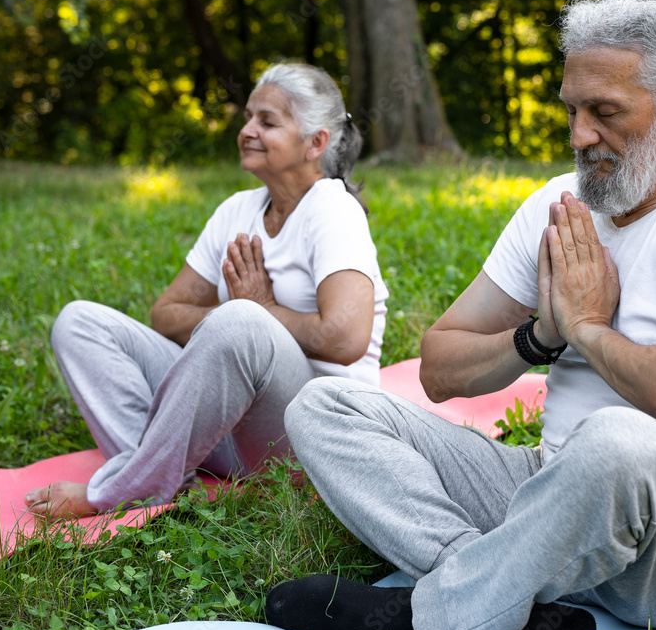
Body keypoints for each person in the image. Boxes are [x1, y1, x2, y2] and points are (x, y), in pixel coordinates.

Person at [265, 0, 656, 630]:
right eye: (572, 109)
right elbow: (438, 366)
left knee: (618, 440)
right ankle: (505, 601)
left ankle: (433, 619)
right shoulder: (555, 205)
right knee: (324, 406)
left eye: (606, 111)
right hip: (547, 491)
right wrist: (540, 335)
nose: (581, 134)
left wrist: (587, 329)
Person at [24, 62, 388, 520]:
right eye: (248, 117)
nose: (247, 131)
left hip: (309, 441)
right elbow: (167, 313)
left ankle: (125, 491)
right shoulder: (237, 209)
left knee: (240, 320)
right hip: (224, 435)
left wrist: (259, 310)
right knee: (80, 322)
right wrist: (235, 318)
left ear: (315, 143)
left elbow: (345, 339)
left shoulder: (333, 209)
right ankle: (162, 476)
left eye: (267, 122)